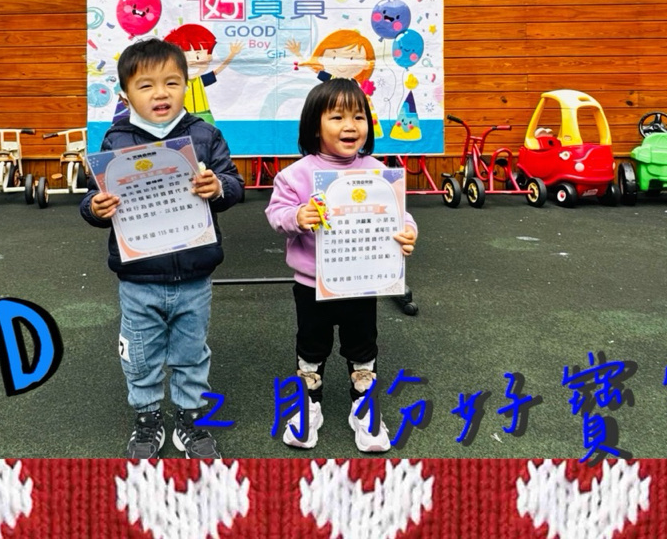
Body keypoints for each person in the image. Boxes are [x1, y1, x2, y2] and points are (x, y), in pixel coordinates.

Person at [80, 38, 245, 459]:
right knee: (140, 355)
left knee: (192, 353)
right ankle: (147, 417)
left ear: (186, 85)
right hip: (139, 278)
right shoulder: (115, 141)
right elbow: (92, 197)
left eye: (172, 83)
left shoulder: (204, 135)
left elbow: (234, 184)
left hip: (195, 275)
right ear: (125, 94)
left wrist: (218, 187)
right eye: (146, 85)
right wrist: (95, 208)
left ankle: (190, 419)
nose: (161, 93)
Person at [265, 78, 417, 452]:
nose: (350, 126)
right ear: (314, 126)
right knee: (310, 347)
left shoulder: (378, 170)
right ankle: (309, 406)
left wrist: (408, 232)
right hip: (311, 284)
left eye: (358, 117)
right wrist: (297, 216)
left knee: (362, 347)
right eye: (337, 117)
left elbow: (400, 216)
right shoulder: (296, 174)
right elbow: (276, 213)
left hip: (363, 282)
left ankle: (364, 408)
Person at [163, 23, 242, 123]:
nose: (191, 63)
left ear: (209, 56)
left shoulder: (200, 80)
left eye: (198, 57)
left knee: (209, 131)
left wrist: (232, 54)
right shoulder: (177, 82)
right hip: (182, 114)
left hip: (203, 112)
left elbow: (217, 71)